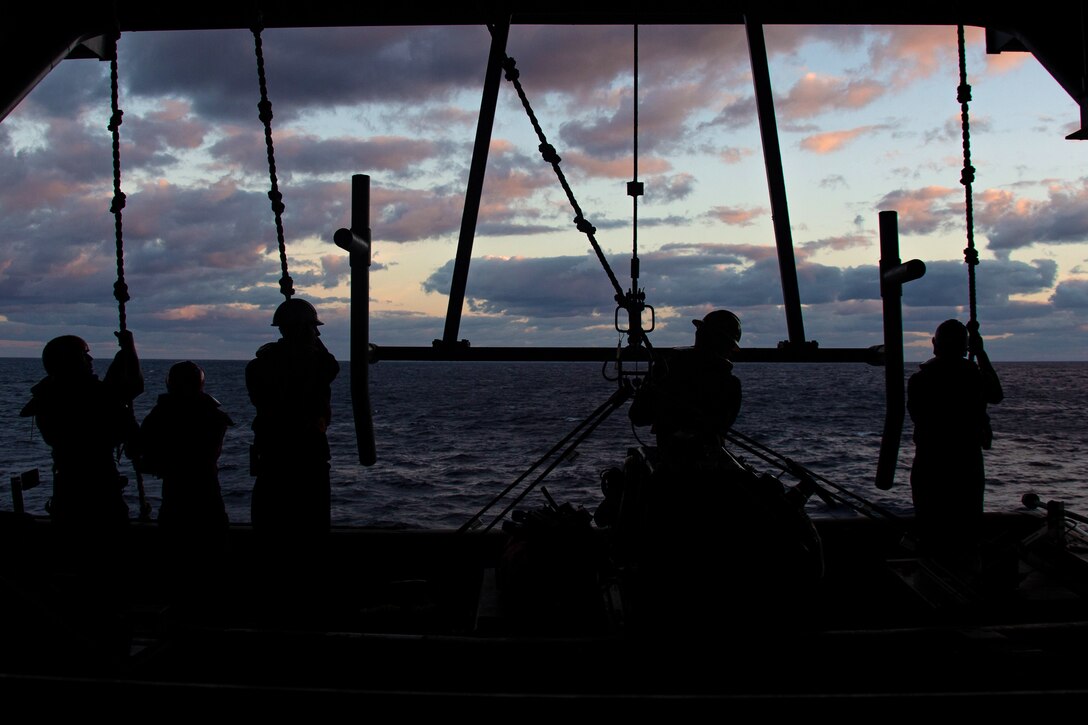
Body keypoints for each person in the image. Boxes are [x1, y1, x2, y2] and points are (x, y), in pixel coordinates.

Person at [20, 331, 143, 532]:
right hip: (100, 489)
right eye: (84, 354)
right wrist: (129, 349)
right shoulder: (91, 394)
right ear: (71, 360)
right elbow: (133, 387)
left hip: (66, 489)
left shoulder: (48, 395)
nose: (90, 359)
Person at [907, 319, 1004, 565]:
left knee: (930, 526)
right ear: (965, 348)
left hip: (930, 462)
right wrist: (980, 353)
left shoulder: (920, 380)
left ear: (934, 345)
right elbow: (996, 395)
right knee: (967, 527)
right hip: (966, 462)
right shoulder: (974, 377)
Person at [246, 298, 340, 542]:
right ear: (302, 329)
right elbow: (330, 365)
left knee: (270, 530)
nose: (317, 332)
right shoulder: (317, 364)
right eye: (313, 327)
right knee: (311, 531)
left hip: (272, 457)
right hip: (307, 457)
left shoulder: (258, 366)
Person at [629, 309, 743, 464]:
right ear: (725, 346)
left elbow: (638, 415)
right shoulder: (730, 386)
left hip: (670, 468)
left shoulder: (667, 371)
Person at [139, 361, 233, 545]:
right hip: (207, 491)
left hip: (176, 492)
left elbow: (142, 448)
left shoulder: (161, 414)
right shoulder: (213, 415)